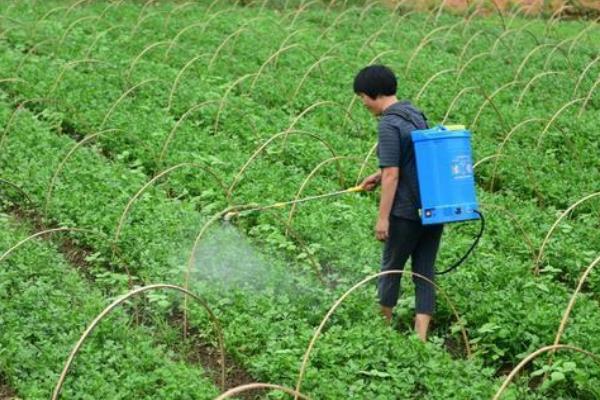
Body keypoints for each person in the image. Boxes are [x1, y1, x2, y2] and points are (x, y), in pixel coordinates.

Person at [355, 65, 444, 342]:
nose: (362, 103)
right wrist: (378, 175)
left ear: (373, 94)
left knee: (391, 268)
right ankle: (420, 339)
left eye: (362, 97)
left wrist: (383, 219)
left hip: (405, 213)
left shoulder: (388, 124)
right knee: (424, 272)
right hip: (432, 207)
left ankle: (383, 332)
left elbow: (394, 173)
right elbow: (411, 161)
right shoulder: (415, 114)